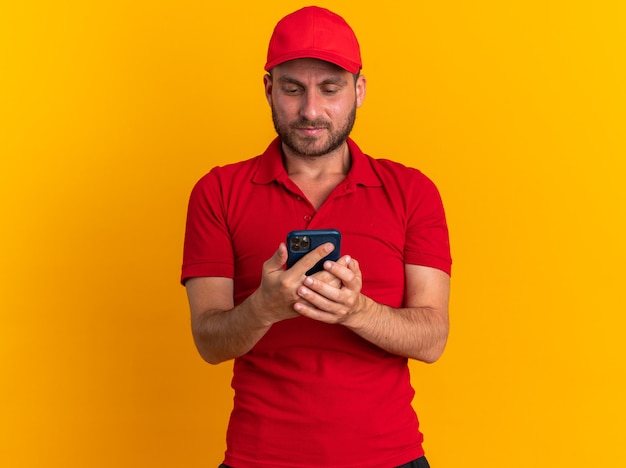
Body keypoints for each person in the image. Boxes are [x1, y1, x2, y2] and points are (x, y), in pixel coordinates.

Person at [181, 6, 452, 468]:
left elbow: (432, 339)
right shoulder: (218, 192)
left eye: (330, 89)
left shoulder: (412, 192)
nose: (311, 110)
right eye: (292, 89)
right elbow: (209, 342)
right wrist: (262, 308)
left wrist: (356, 310)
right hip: (258, 458)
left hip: (390, 457)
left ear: (358, 90)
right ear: (269, 89)